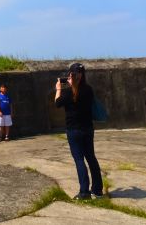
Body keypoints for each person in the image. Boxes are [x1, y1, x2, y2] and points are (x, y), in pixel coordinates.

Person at [55, 62, 103, 200]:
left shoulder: (68, 92)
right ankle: (97, 190)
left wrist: (58, 89)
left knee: (79, 160)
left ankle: (84, 192)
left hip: (74, 131)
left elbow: (57, 103)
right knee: (91, 158)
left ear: (71, 75)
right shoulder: (89, 90)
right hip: (88, 129)